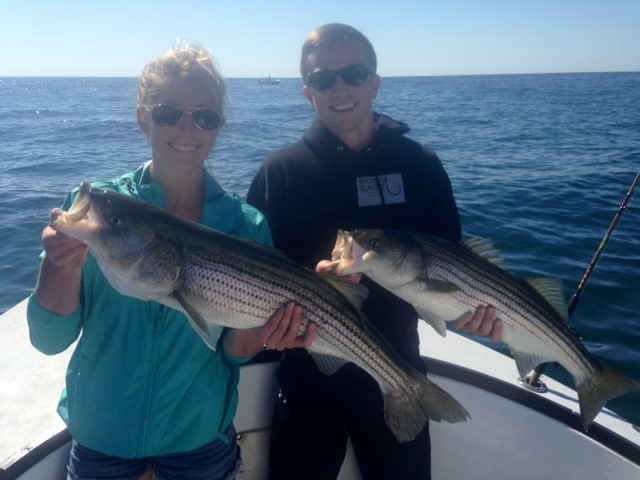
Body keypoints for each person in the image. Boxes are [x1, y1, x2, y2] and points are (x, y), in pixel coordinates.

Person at [27, 41, 314, 480]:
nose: (186, 128)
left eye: (204, 116)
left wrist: (266, 331)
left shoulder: (245, 224)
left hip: (199, 447)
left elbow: (232, 354)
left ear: (218, 127)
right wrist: (60, 263)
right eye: (168, 113)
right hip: (102, 443)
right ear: (143, 117)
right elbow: (49, 339)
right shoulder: (100, 211)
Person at [247, 23, 502, 480]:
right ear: (308, 92)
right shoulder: (279, 174)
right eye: (324, 79)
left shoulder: (419, 165)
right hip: (308, 383)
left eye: (356, 74)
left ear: (375, 82)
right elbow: (255, 277)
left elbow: (457, 269)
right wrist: (295, 304)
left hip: (401, 370)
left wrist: (471, 313)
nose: (340, 88)